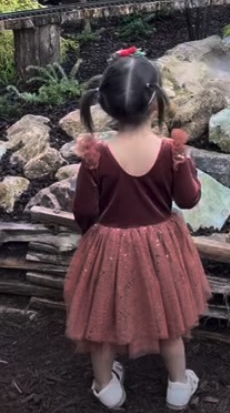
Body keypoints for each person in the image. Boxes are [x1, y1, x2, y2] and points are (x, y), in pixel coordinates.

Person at [64, 47, 211, 410]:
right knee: (169, 315)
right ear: (156, 104)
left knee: (101, 317)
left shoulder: (96, 155)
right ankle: (178, 384)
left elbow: (83, 208)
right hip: (161, 244)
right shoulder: (170, 151)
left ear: (106, 106)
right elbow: (189, 199)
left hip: (109, 244)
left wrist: (93, 235)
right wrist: (188, 170)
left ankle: (107, 388)